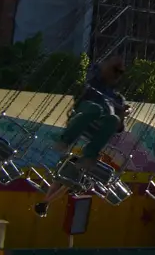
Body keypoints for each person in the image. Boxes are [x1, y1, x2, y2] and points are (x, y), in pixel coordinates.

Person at [34, 57, 129, 217]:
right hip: (85, 116)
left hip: (93, 134)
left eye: (119, 73)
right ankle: (66, 140)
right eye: (115, 71)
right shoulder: (95, 82)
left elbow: (119, 128)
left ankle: (45, 202)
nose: (117, 75)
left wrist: (122, 114)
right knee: (95, 109)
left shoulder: (118, 99)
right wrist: (109, 65)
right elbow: (94, 70)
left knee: (66, 179)